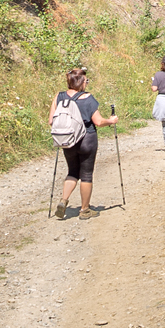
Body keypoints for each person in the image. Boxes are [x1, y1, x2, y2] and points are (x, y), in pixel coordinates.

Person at [52, 68, 117, 219]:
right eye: (86, 80)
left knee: (72, 172)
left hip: (67, 140)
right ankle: (85, 210)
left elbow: (51, 120)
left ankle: (63, 200)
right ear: (81, 82)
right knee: (86, 174)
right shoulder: (88, 98)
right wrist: (111, 121)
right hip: (87, 139)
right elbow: (99, 122)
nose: (87, 83)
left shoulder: (59, 97)